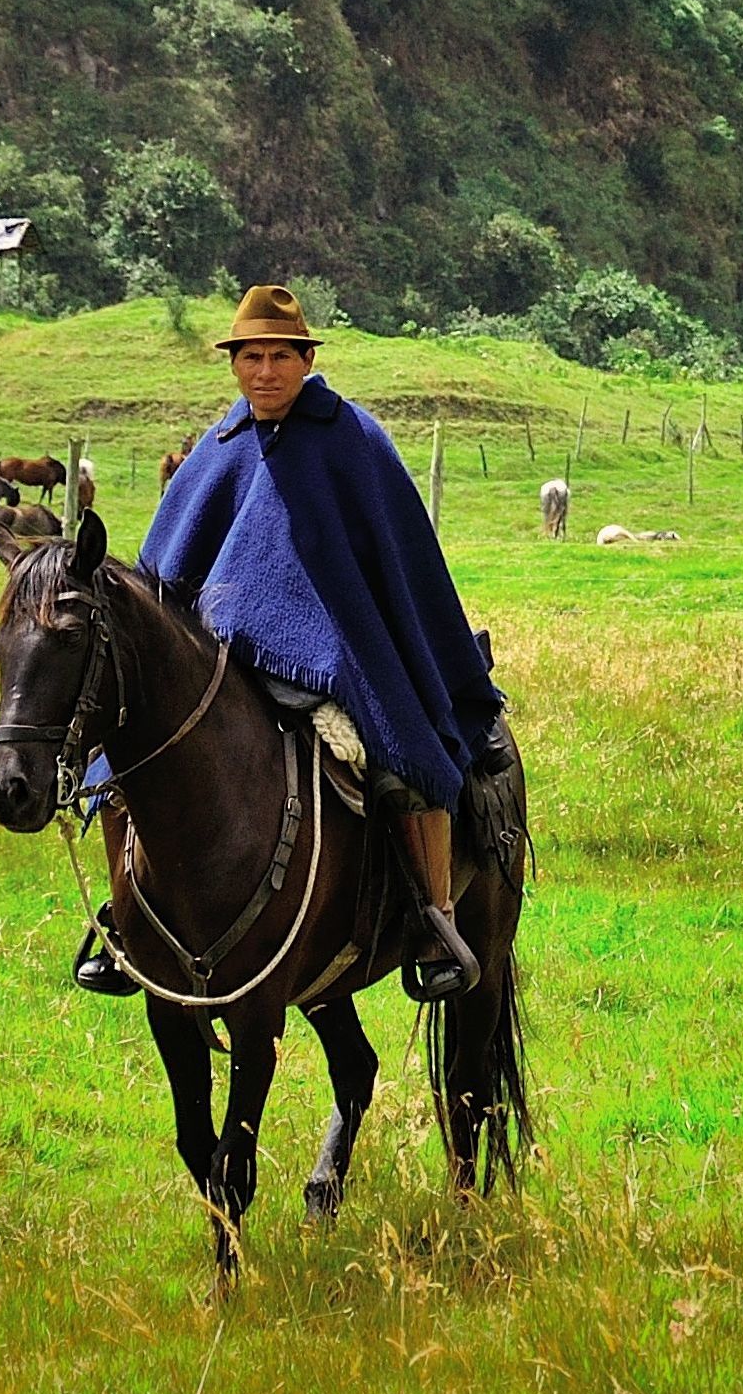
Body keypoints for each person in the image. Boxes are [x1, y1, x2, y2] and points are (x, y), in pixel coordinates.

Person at [95, 284, 504, 1002]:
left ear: (306, 359)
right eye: (251, 356)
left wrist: (334, 637)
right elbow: (169, 564)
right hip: (214, 654)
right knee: (120, 762)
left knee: (397, 752)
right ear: (233, 365)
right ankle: (129, 916)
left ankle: (434, 920)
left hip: (335, 650)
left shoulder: (351, 438)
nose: (265, 372)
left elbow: (398, 562)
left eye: (281, 356)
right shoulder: (221, 446)